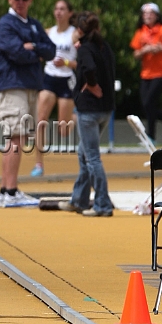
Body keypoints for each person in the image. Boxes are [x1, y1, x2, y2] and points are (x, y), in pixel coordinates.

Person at [0, 0, 56, 207]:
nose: (20, 2)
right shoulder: (5, 24)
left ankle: (6, 190)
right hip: (13, 85)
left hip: (30, 85)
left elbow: (51, 50)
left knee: (18, 137)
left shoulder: (33, 24)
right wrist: (32, 50)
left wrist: (32, 47)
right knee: (16, 138)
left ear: (30, 0)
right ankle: (10, 192)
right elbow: (16, 53)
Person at [58, 11, 115, 217]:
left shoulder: (85, 49)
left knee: (91, 157)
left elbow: (89, 68)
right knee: (84, 153)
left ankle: (102, 204)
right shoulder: (104, 46)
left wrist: (91, 85)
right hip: (105, 109)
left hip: (89, 110)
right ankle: (79, 199)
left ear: (80, 31)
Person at [31, 0, 78, 177]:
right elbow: (39, 51)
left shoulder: (75, 35)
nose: (58, 12)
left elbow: (82, 63)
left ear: (69, 13)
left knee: (63, 130)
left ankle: (75, 117)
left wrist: (65, 62)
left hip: (67, 80)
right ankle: (38, 164)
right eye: (56, 9)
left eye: (62, 9)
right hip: (49, 79)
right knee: (40, 121)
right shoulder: (48, 32)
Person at [130, 2, 162, 142]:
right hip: (146, 73)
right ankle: (151, 135)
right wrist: (144, 51)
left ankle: (150, 135)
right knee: (147, 104)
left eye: (151, 13)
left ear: (157, 15)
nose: (147, 15)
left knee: (149, 102)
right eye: (145, 13)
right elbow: (135, 54)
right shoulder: (140, 32)